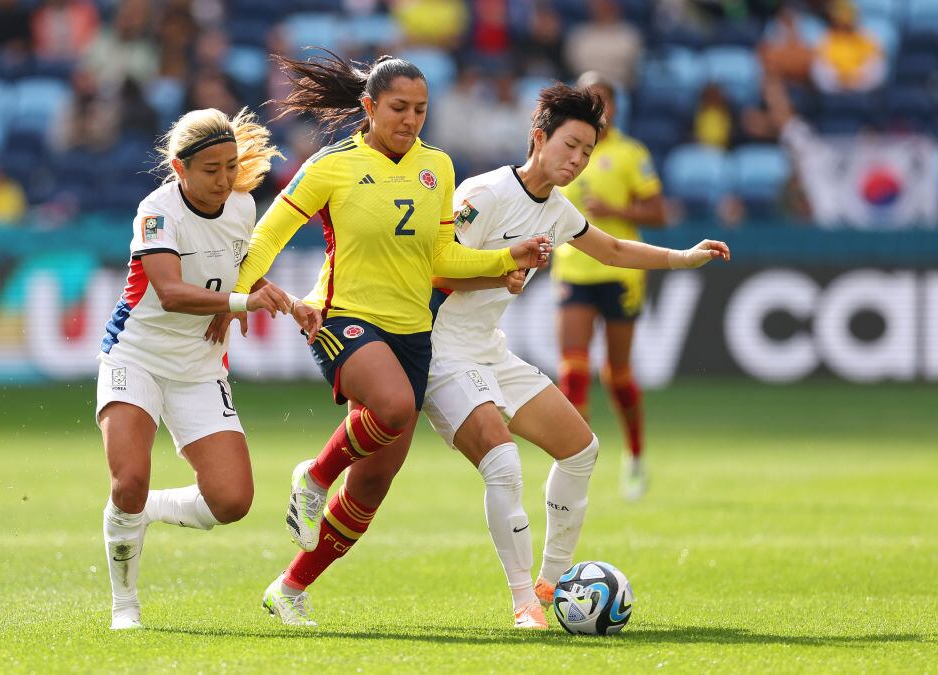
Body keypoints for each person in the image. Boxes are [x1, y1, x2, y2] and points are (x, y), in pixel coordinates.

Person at [232, 51, 551, 626]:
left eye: (421, 110)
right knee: (395, 404)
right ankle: (313, 476)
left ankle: (290, 587)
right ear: (369, 107)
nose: (410, 119)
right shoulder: (331, 166)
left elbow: (441, 255)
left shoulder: (438, 167)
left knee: (372, 485)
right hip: (342, 317)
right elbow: (269, 230)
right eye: (399, 108)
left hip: (412, 332)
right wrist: (240, 291)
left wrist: (507, 256)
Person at [424, 84, 730, 629]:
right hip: (440, 352)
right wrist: (498, 267)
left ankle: (554, 580)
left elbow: (611, 249)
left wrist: (684, 257)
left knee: (581, 450)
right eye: (570, 145)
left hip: (488, 350)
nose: (578, 160)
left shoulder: (558, 211)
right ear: (537, 138)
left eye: (587, 151)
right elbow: (426, 266)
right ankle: (523, 603)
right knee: (504, 463)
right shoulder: (485, 194)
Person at [96, 106, 319, 630]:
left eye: (230, 167)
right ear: (180, 169)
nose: (224, 180)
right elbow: (171, 294)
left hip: (199, 367)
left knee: (232, 500)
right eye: (211, 169)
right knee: (127, 478)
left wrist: (270, 297)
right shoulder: (156, 212)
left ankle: (144, 510)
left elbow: (238, 274)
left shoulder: (241, 206)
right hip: (138, 355)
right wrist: (239, 306)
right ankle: (124, 605)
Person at [553, 72, 667, 502]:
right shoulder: (566, 148)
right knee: (572, 370)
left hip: (620, 273)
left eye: (602, 101)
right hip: (574, 269)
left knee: (617, 375)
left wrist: (614, 208)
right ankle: (573, 461)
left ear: (616, 107)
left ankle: (635, 454)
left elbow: (658, 212)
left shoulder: (630, 154)